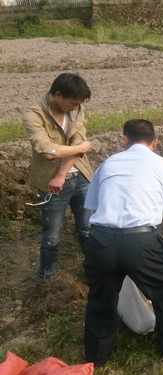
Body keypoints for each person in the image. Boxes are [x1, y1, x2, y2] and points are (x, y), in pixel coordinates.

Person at [82, 119, 163, 366]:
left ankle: (96, 357)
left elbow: (93, 206)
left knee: (101, 298)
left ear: (125, 140)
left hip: (101, 239)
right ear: (155, 142)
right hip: (141, 241)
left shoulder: (108, 164)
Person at [22, 73, 94, 279]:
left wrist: (62, 173)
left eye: (78, 104)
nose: (76, 107)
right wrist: (80, 148)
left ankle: (95, 272)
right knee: (52, 236)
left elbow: (77, 142)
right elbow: (47, 150)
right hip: (50, 184)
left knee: (88, 230)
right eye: (73, 103)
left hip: (81, 176)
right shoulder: (33, 115)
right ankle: (47, 278)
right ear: (59, 94)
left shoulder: (76, 108)